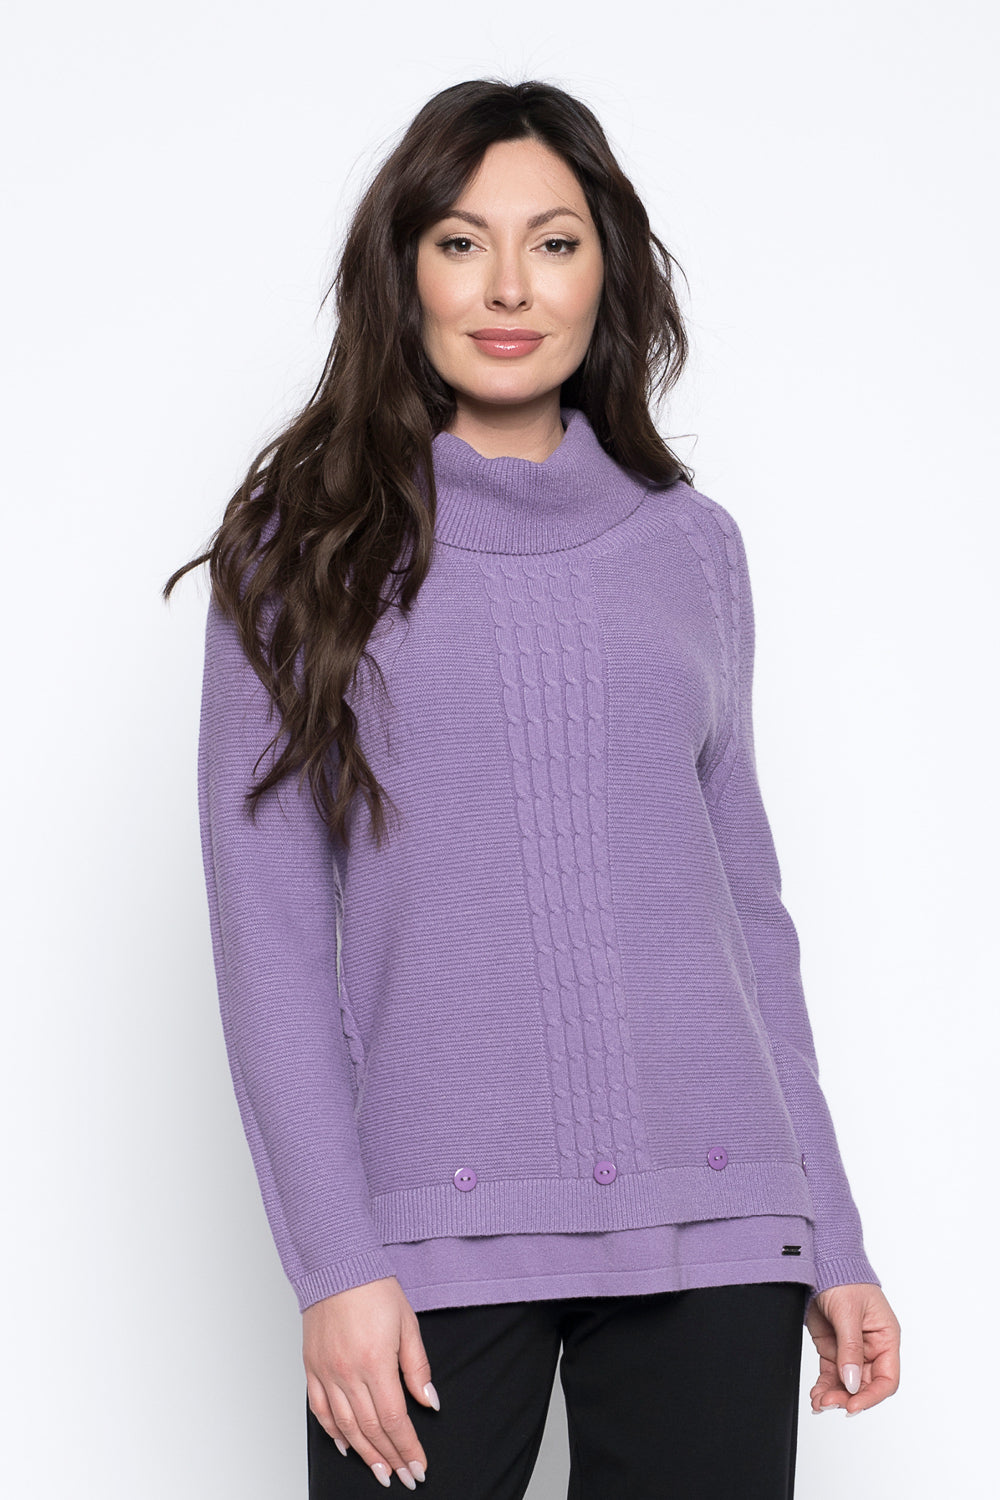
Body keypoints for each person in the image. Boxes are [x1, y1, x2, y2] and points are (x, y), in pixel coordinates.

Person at [164, 78, 901, 1497]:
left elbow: (748, 919)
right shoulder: (299, 551)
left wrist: (833, 1233)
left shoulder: (692, 547)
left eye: (553, 243)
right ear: (405, 275)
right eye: (461, 242)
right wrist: (334, 1264)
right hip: (422, 1246)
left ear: (606, 271)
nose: (509, 286)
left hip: (720, 1217)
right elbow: (267, 943)